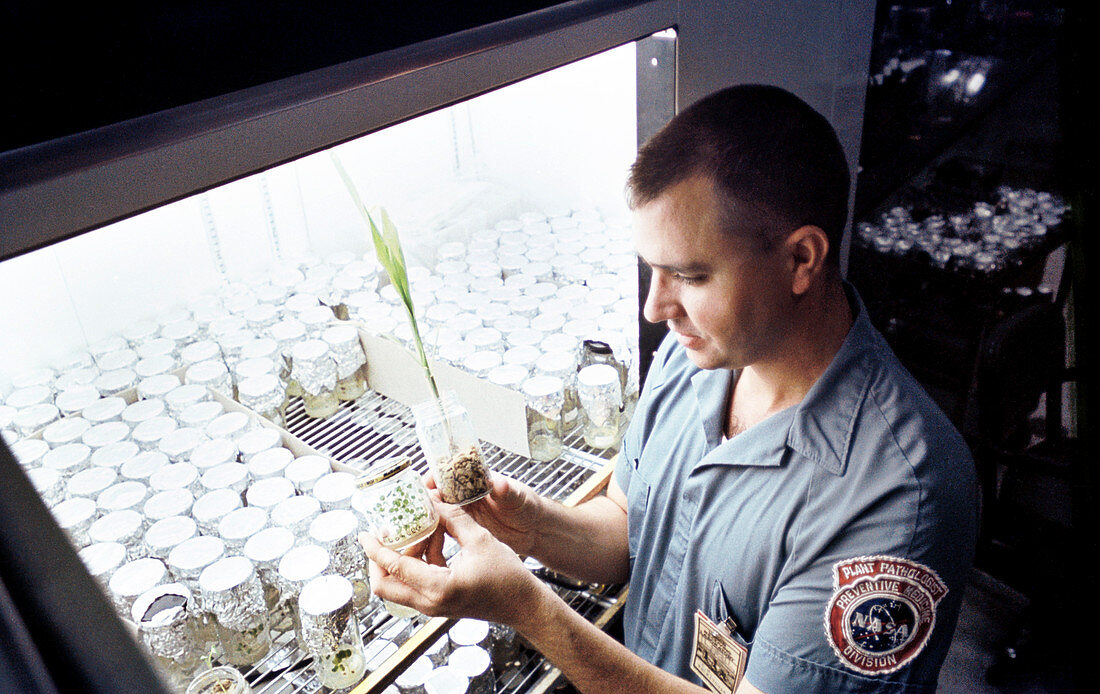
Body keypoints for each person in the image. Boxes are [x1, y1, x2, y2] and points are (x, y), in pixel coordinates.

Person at [360, 84, 978, 693]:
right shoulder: (700, 359)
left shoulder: (901, 498)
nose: (656, 308)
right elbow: (630, 525)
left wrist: (528, 609)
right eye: (652, 271)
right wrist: (526, 526)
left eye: (689, 274)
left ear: (801, 260)